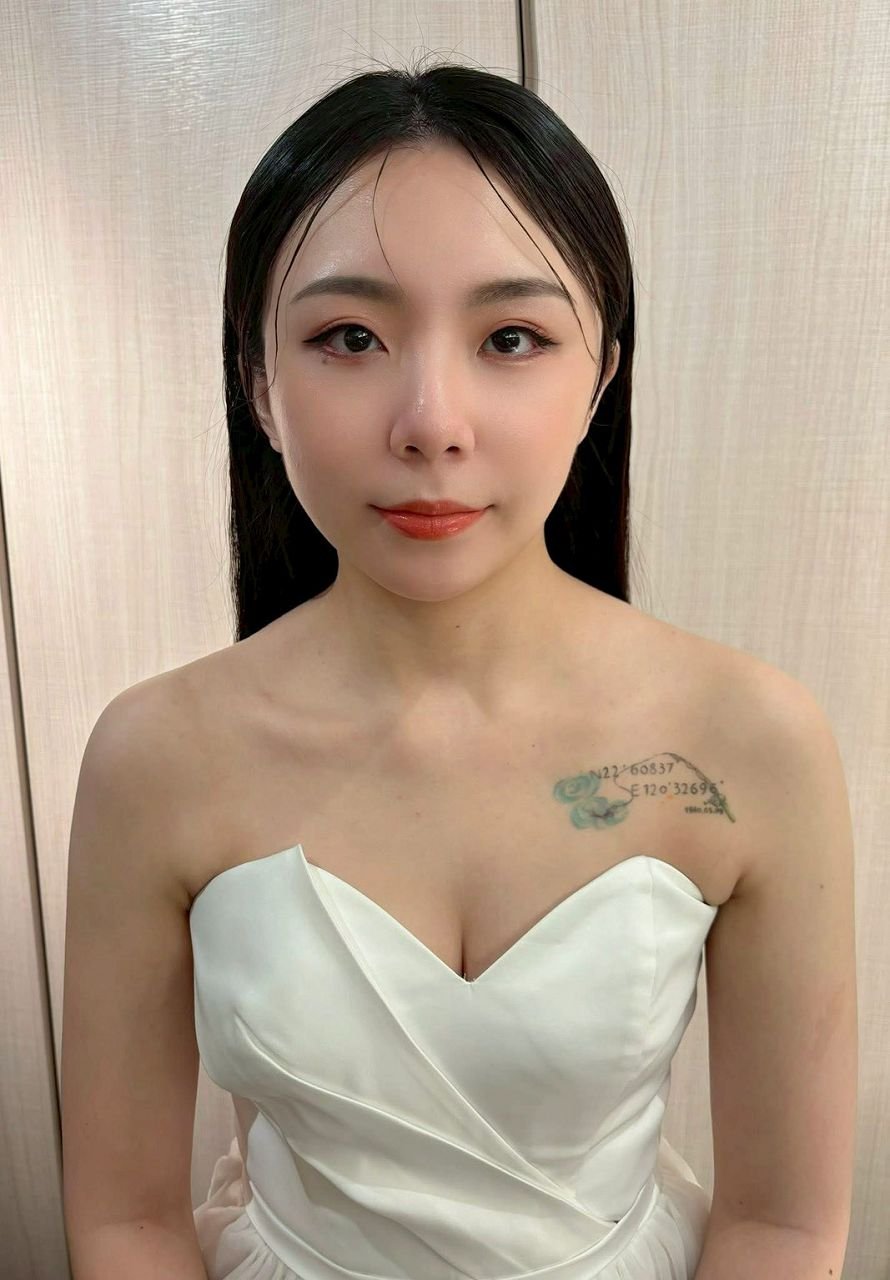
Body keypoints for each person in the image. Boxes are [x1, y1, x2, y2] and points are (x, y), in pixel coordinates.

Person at [61, 57, 857, 1280]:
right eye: (349, 336)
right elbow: (126, 1221)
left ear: (599, 377)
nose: (430, 421)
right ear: (257, 384)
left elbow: (784, 1224)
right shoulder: (156, 756)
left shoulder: (747, 737)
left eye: (510, 337)